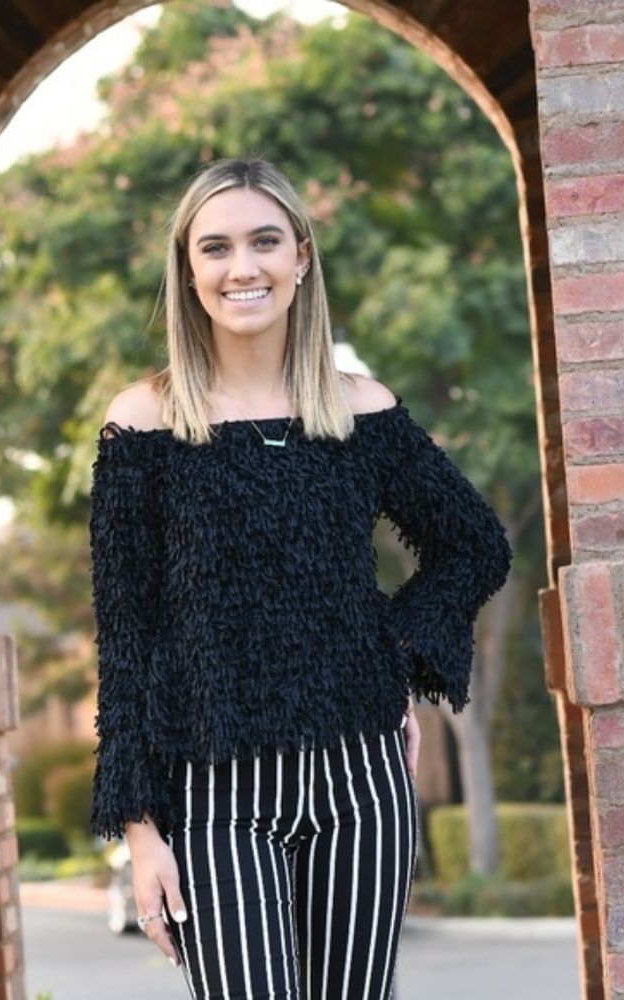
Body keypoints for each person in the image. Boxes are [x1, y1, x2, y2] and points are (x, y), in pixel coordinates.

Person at [88, 157, 512, 1000]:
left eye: (264, 242)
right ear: (189, 269)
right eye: (215, 248)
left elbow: (474, 546)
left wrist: (393, 664)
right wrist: (140, 834)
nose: (242, 267)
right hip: (214, 794)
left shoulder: (361, 411)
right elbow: (127, 642)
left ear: (302, 257)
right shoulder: (142, 424)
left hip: (362, 782)